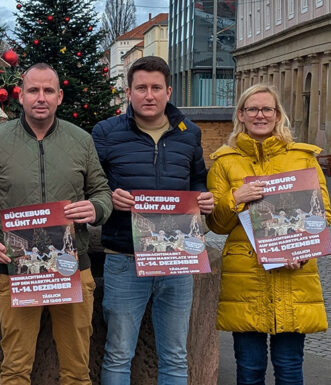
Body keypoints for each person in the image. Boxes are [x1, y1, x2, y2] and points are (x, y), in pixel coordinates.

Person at [0, 63, 113, 385]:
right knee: (15, 368)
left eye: (48, 90)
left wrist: (97, 208)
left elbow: (102, 191)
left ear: (59, 97)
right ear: (21, 96)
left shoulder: (80, 140)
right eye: (33, 90)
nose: (41, 97)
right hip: (17, 269)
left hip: (72, 267)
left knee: (77, 371)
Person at [91, 56, 215, 385]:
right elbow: (90, 184)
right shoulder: (105, 132)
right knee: (118, 352)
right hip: (124, 257)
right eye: (141, 88)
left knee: (175, 354)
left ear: (168, 91)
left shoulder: (190, 133)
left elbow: (197, 178)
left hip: (177, 259)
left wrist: (203, 197)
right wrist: (109, 196)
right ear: (128, 92)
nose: (149, 95)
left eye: (156, 88)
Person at [206, 84, 329, 385]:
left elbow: (323, 213)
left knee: (289, 367)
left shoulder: (302, 158)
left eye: (266, 109)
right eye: (252, 109)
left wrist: (301, 250)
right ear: (241, 115)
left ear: (277, 115)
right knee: (249, 369)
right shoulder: (224, 162)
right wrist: (236, 198)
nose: (260, 115)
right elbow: (217, 225)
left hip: (293, 274)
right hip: (245, 277)